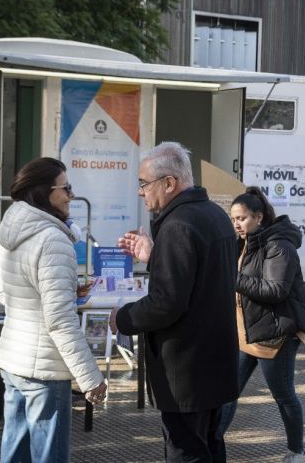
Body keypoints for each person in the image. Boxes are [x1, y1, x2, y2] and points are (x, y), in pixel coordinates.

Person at [112, 142, 238, 462]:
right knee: (210, 446)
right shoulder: (214, 216)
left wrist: (122, 318)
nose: (140, 192)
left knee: (187, 453)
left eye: (144, 183)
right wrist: (155, 255)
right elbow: (198, 280)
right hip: (214, 365)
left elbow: (166, 303)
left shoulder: (178, 225)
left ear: (169, 183)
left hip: (186, 373)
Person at [0, 157, 106, 463]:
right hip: (44, 368)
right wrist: (90, 377)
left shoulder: (11, 230)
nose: (71, 195)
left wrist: (64, 292)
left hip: (13, 360)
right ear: (45, 192)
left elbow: (7, 292)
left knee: (14, 454)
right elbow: (59, 320)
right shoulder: (53, 239)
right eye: (66, 187)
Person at [217, 187, 305, 463]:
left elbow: (276, 290)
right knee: (227, 391)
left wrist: (233, 278)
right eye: (233, 218)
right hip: (246, 332)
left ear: (258, 217)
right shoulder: (245, 243)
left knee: (284, 396)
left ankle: (297, 452)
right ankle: (212, 444)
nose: (237, 224)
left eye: (242, 218)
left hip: (275, 335)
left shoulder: (278, 245)